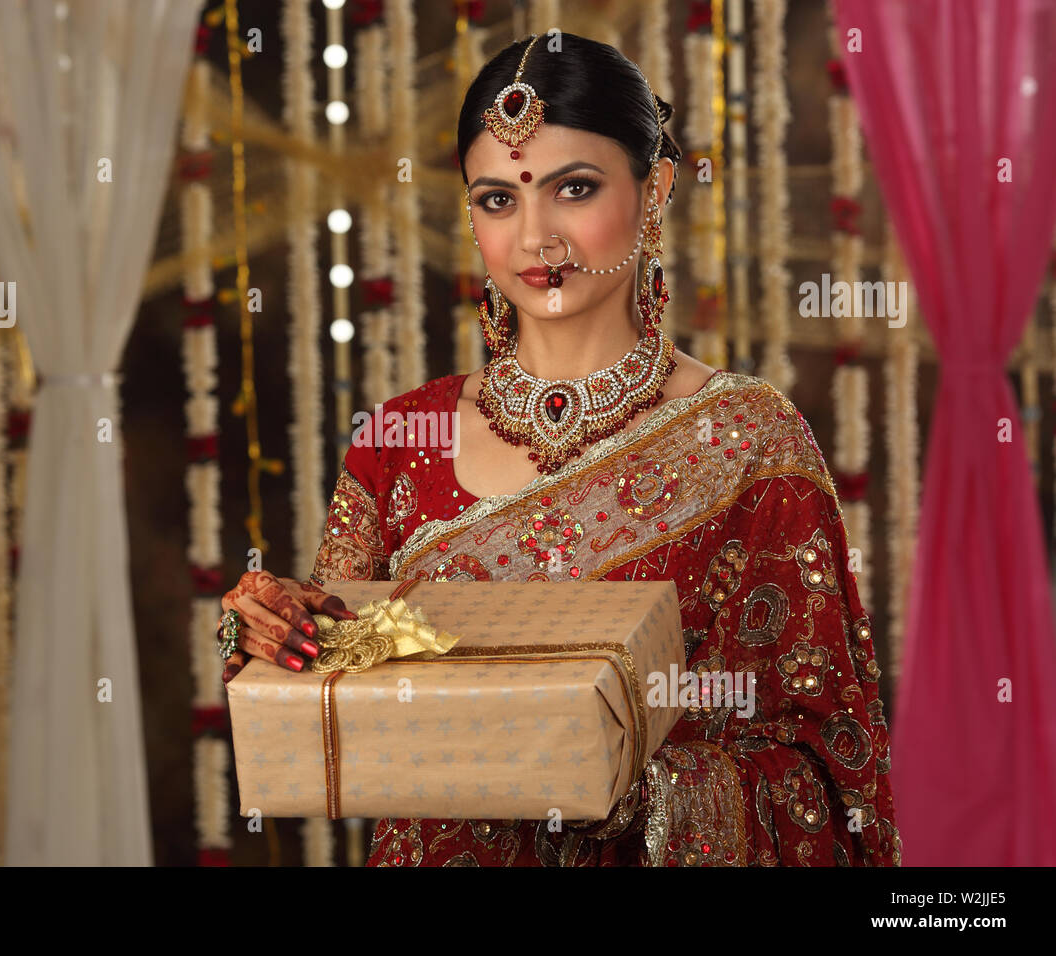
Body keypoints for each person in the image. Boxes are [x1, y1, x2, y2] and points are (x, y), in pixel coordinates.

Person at [218, 32, 901, 867]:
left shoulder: (747, 442)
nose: (536, 238)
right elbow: (343, 687)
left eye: (574, 189)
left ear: (655, 192)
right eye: (498, 199)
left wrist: (616, 783)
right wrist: (276, 629)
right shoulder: (399, 438)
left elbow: (831, 778)